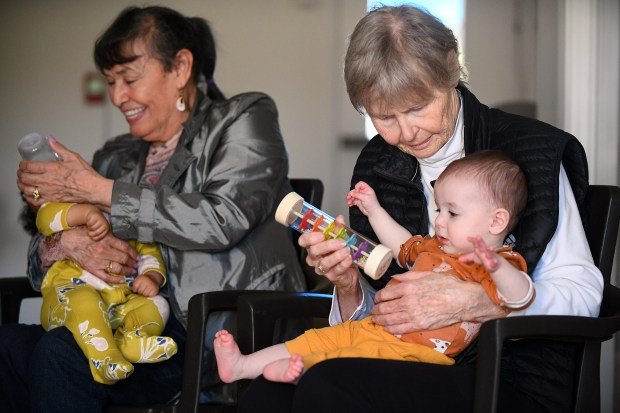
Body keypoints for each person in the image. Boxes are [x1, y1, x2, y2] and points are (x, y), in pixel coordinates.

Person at [239, 5, 603, 413]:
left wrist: (479, 301)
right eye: (384, 117)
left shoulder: (529, 153)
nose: (406, 132)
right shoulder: (378, 167)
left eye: (416, 108)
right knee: (268, 394)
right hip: (401, 355)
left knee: (328, 385)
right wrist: (347, 286)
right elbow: (378, 314)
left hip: (510, 374)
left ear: (450, 69)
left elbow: (583, 294)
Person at [5, 5, 305, 413]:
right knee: (7, 346)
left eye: (128, 79)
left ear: (180, 67)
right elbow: (39, 265)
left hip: (206, 333)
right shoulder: (115, 157)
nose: (116, 96)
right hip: (113, 319)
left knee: (62, 353)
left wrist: (99, 190)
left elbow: (221, 219)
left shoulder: (244, 118)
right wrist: (64, 242)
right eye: (110, 82)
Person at [214, 150, 534, 384]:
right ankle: (242, 367)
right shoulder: (437, 245)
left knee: (349, 360)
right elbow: (399, 245)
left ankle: (301, 372)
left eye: (453, 213)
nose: (439, 221)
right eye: (439, 209)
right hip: (377, 328)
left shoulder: (498, 264)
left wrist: (496, 268)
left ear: (496, 221)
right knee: (319, 337)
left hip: (416, 356)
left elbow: (519, 297)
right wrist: (373, 209)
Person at [37, 200, 177, 384]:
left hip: (118, 304)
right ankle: (104, 359)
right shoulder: (70, 207)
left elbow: (150, 253)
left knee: (158, 303)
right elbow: (45, 217)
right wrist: (86, 213)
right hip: (69, 297)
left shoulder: (131, 223)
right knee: (85, 298)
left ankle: (132, 340)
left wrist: (152, 277)